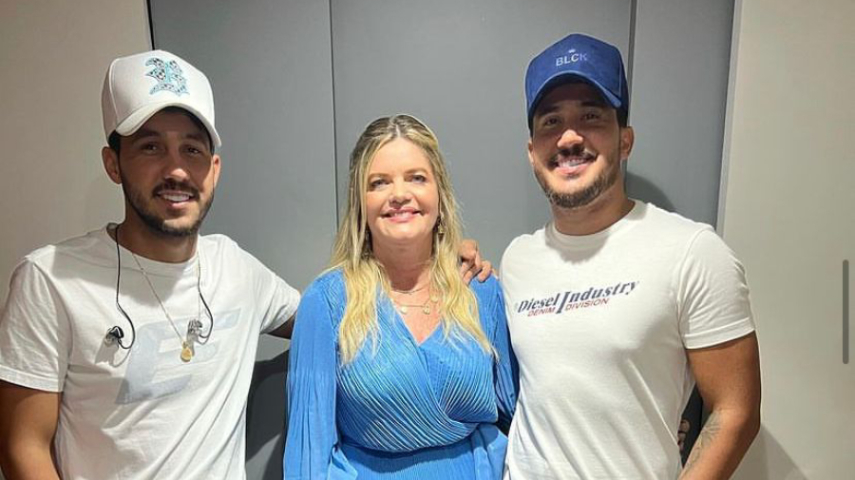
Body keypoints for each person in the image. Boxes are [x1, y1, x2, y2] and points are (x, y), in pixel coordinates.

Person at [0, 50, 303, 479]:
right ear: (113, 164)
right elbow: (22, 447)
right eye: (151, 147)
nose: (176, 169)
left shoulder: (237, 269)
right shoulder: (50, 280)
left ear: (214, 170)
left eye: (192, 149)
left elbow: (328, 318)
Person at [500, 33, 761, 479]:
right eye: (550, 121)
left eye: (591, 116)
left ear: (625, 140)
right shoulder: (516, 259)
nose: (568, 137)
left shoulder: (692, 252)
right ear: (531, 152)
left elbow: (736, 411)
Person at [284, 114, 517, 479]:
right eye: (379, 182)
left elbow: (522, 421)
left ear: (440, 194)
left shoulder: (481, 291)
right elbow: (308, 458)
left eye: (416, 178)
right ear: (360, 202)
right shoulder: (327, 302)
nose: (399, 194)